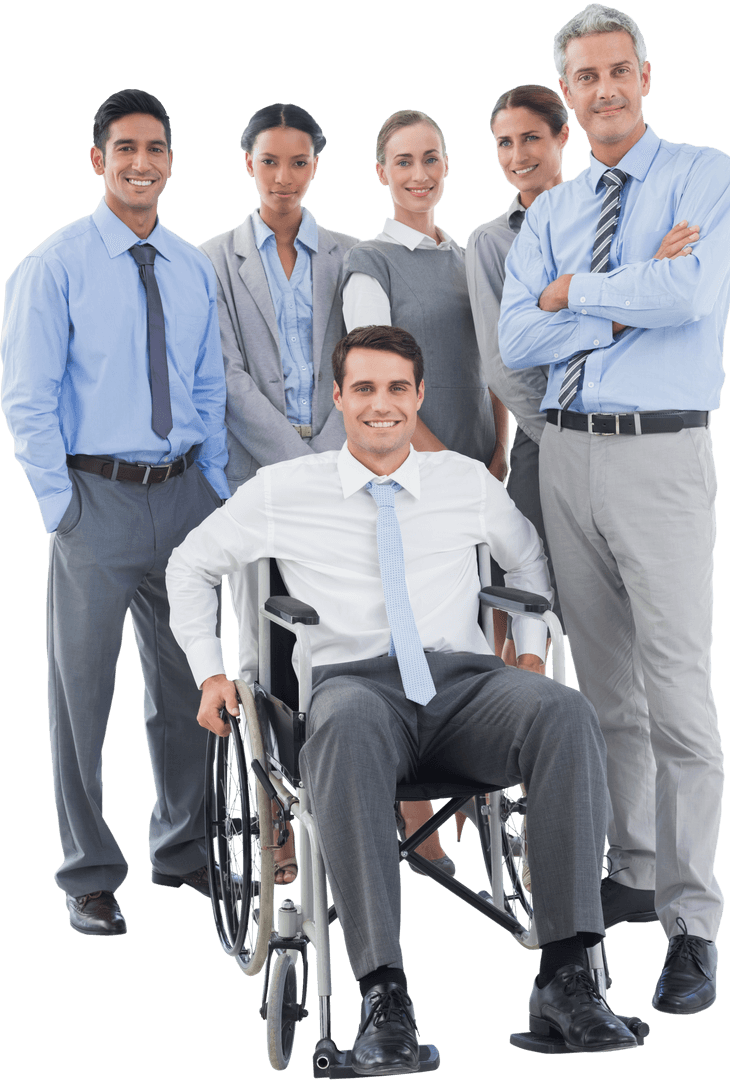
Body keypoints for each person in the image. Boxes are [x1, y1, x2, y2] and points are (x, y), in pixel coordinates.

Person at [167, 324, 644, 1067]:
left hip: (462, 687)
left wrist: (526, 647)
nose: (381, 405)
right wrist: (209, 669)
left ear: (418, 396)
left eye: (396, 389)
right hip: (354, 689)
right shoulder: (287, 489)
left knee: (563, 712)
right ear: (339, 399)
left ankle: (568, 976)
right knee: (349, 725)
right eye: (364, 389)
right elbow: (190, 565)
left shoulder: (463, 482)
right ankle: (384, 996)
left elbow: (528, 566)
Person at [499, 3, 730, 1016]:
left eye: (616, 72)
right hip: (567, 460)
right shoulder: (554, 205)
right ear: (571, 94)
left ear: (645, 75)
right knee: (605, 697)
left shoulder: (704, 175)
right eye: (584, 79)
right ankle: (636, 866)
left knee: (680, 695)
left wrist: (572, 296)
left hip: (661, 456)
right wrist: (599, 293)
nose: (602, 90)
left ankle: (693, 922)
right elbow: (517, 336)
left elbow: (688, 298)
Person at [0, 89, 230, 936]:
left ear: (171, 161)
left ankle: (184, 847)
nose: (143, 162)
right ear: (99, 160)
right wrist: (60, 508)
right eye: (125, 148)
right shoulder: (54, 264)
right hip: (93, 500)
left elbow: (206, 384)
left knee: (189, 687)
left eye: (157, 149)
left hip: (183, 498)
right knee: (81, 694)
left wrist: (212, 487)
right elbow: (25, 399)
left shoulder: (189, 264)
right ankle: (89, 874)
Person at [343, 109, 510, 870]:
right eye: (404, 161)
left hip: (481, 472)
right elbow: (380, 391)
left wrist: (498, 450)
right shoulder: (369, 265)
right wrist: (448, 466)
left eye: (433, 159)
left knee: (491, 632)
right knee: (418, 634)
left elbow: (498, 363)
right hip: (412, 478)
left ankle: (489, 783)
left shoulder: (470, 254)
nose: (420, 174)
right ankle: (420, 821)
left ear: (449, 166)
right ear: (382, 171)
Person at [199, 102, 358, 883]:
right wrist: (298, 461)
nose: (284, 177)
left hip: (344, 479)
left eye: (299, 162)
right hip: (260, 484)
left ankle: (348, 800)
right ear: (249, 165)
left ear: (315, 166)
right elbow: (225, 379)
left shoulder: (351, 256)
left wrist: (333, 455)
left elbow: (360, 364)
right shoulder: (212, 261)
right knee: (268, 653)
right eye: (271, 162)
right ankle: (278, 827)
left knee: (343, 636)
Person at [466, 85, 570, 665]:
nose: (516, 155)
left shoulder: (603, 220)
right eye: (504, 143)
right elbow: (500, 363)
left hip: (616, 438)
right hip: (543, 441)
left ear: (562, 135)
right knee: (531, 607)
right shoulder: (492, 242)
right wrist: (564, 433)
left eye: (530, 137)